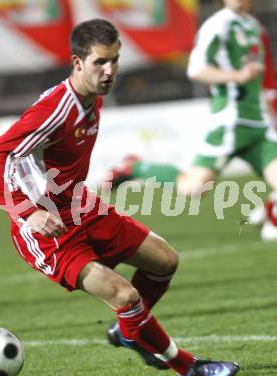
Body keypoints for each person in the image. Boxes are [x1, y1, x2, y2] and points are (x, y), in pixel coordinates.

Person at [0, 18, 239, 376]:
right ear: (77, 63)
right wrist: (28, 213)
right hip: (47, 230)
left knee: (164, 261)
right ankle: (186, 365)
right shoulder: (56, 110)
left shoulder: (93, 99)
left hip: (80, 205)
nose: (109, 70)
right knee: (125, 296)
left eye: (114, 60)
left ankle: (130, 331)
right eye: (100, 62)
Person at [103, 0, 277, 241]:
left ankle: (269, 218)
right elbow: (196, 69)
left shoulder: (253, 26)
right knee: (194, 189)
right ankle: (136, 166)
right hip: (230, 123)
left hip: (259, 123)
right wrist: (237, 76)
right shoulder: (216, 25)